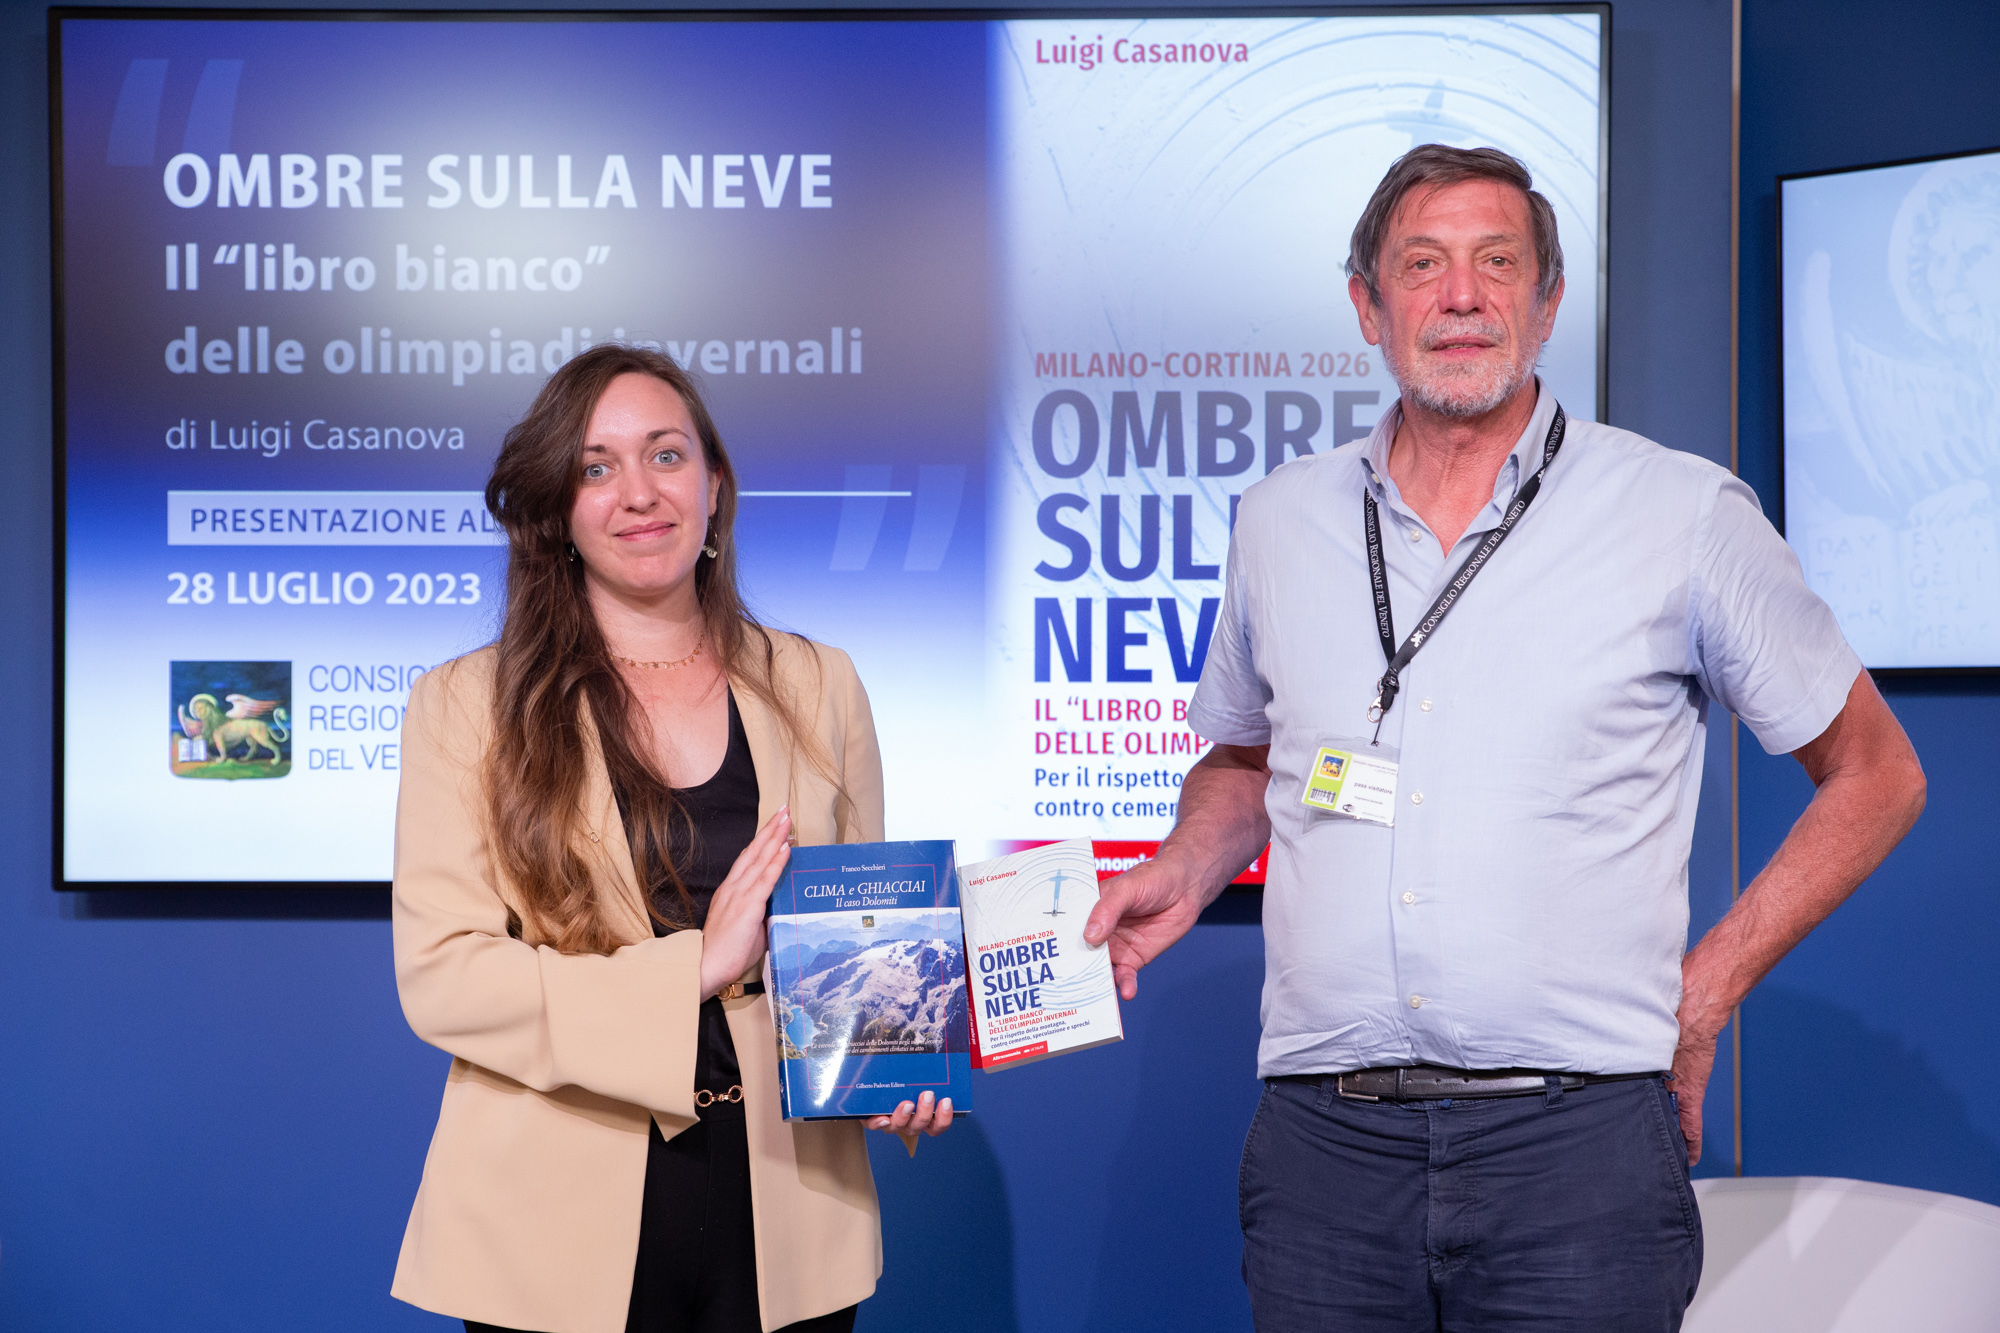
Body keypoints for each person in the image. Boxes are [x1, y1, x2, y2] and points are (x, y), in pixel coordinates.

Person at [1083, 144, 1926, 1331]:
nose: (1461, 296)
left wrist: (1703, 993)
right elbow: (1244, 757)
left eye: (1496, 263)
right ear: (1367, 306)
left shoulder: (1679, 513)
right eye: (1421, 265)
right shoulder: (1277, 520)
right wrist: (1181, 865)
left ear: (1546, 302)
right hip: (1325, 1153)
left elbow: (1876, 774)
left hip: (1576, 1152)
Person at [390, 344, 950, 1333]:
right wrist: (694, 967)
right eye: (596, 467)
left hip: (789, 1206)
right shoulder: (464, 704)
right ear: (559, 510)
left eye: (665, 455)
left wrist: (891, 1068)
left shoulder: (822, 683)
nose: (639, 492)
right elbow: (445, 977)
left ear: (714, 484)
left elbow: (863, 937)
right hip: (549, 1215)